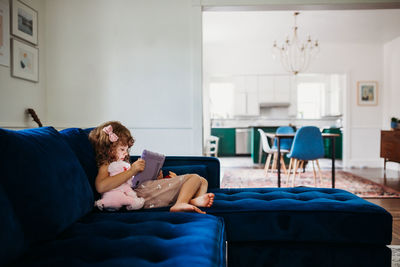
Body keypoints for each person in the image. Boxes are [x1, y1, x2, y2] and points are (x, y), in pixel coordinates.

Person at [89, 121, 214, 213]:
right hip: (137, 196)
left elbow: (133, 181)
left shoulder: (122, 164)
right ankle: (180, 203)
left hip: (144, 189)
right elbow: (101, 187)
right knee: (195, 178)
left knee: (203, 181)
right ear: (109, 148)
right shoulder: (106, 165)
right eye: (122, 149)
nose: (126, 153)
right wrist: (132, 170)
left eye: (126, 149)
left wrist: (154, 177)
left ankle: (192, 201)